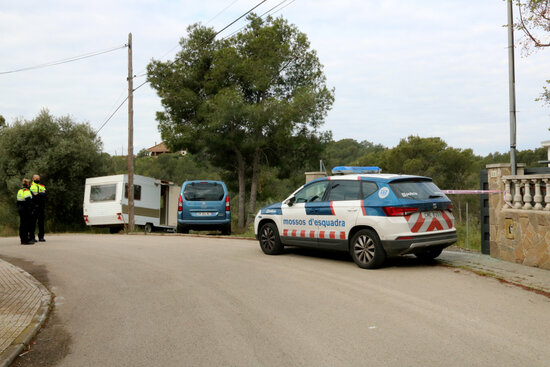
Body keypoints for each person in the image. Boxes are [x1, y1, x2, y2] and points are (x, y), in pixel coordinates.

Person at [30, 174, 47, 242]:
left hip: (41, 206)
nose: (37, 179)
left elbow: (45, 194)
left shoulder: (42, 186)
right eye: (36, 178)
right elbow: (33, 196)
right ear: (33, 179)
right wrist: (40, 194)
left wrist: (37, 194)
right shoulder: (31, 186)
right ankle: (32, 237)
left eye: (38, 178)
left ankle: (41, 237)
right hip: (34, 206)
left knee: (41, 222)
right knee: (32, 222)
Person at [17, 178, 34, 245]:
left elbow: (17, 202)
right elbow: (28, 201)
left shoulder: (19, 191)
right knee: (26, 224)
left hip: (20, 208)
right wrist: (33, 206)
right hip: (25, 209)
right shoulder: (26, 191)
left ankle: (22, 239)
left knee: (22, 224)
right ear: (28, 185)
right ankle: (26, 240)